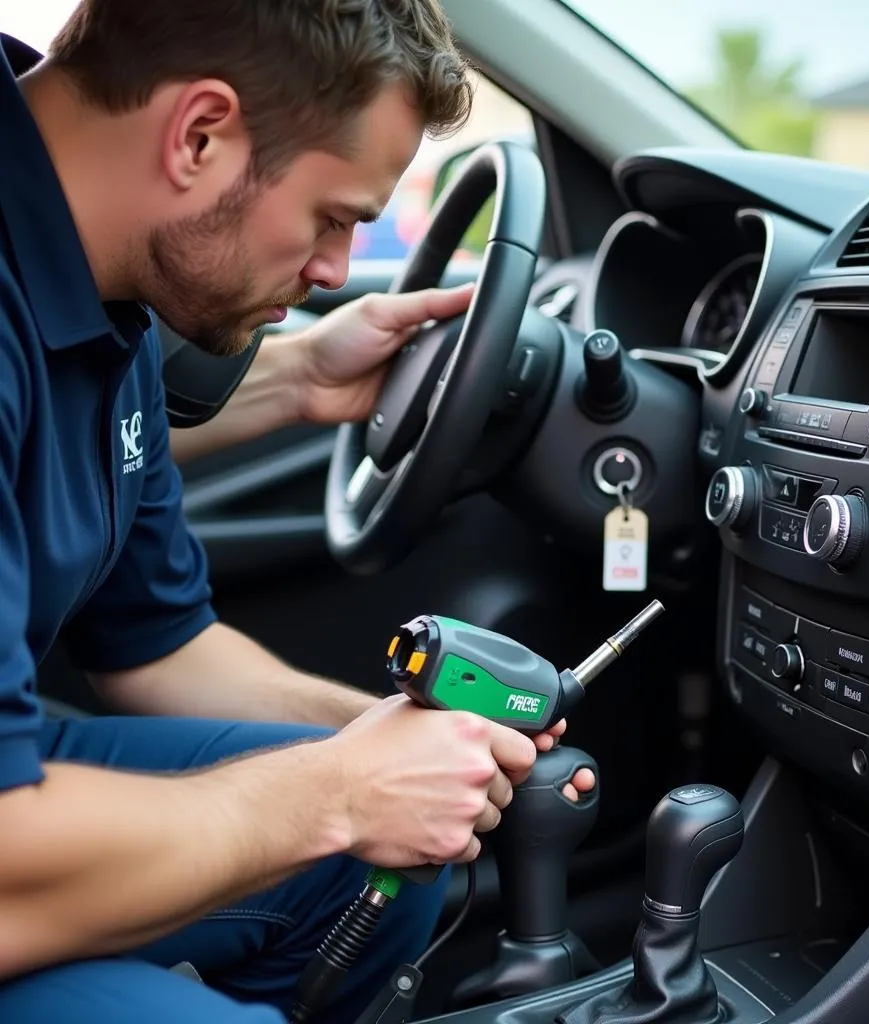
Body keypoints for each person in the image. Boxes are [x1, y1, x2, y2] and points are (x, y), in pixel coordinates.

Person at [0, 3, 595, 1023]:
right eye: (334, 217)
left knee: (371, 868)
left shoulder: (108, 280)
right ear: (199, 135)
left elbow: (156, 645)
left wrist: (392, 742)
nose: (331, 270)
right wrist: (337, 793)